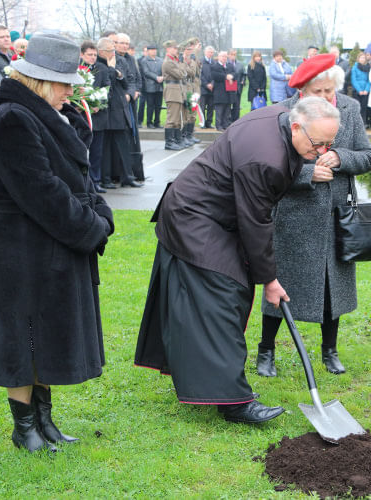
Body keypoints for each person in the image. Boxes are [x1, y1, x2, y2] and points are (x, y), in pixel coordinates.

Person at [135, 97, 340, 423]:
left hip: (216, 215)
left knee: (231, 293)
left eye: (331, 143)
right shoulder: (266, 159)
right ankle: (234, 403)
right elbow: (256, 222)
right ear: (297, 125)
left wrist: (263, 275)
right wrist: (270, 281)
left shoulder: (282, 122)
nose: (323, 151)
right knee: (225, 294)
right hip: (195, 217)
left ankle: (218, 385)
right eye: (319, 144)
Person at [0, 33, 114, 452]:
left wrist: (100, 215)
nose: (71, 91)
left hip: (46, 244)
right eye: (65, 83)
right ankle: (24, 429)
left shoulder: (46, 116)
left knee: (44, 334)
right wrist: (91, 228)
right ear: (41, 82)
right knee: (24, 334)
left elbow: (78, 180)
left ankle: (43, 421)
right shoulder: (14, 120)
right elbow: (44, 193)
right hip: (21, 248)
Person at [256, 54, 371, 377]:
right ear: (303, 89)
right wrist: (307, 174)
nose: (324, 97)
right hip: (294, 217)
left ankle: (330, 351)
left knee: (331, 287)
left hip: (335, 217)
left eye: (328, 90)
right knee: (280, 285)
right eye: (317, 91)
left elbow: (368, 156)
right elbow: (271, 168)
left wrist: (340, 157)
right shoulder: (285, 111)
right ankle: (265, 351)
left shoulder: (350, 108)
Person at [98, 37, 141, 187]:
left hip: (120, 106)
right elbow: (108, 82)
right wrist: (111, 69)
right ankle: (106, 178)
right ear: (102, 51)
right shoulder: (99, 63)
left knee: (123, 144)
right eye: (110, 50)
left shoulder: (120, 61)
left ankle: (127, 177)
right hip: (107, 108)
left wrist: (128, 91)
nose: (113, 52)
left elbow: (128, 80)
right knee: (107, 147)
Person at [80, 41, 108, 193]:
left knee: (96, 152)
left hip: (97, 117)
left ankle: (95, 181)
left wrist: (99, 101)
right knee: (81, 150)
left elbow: (107, 88)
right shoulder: (76, 69)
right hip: (81, 116)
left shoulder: (102, 69)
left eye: (95, 55)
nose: (92, 58)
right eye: (89, 55)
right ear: (81, 55)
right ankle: (82, 182)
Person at [161, 39, 186, 150]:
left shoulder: (174, 61)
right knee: (172, 118)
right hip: (172, 90)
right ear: (168, 49)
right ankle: (169, 142)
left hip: (177, 90)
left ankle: (176, 139)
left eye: (177, 48)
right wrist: (181, 66)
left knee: (177, 119)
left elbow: (183, 73)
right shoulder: (168, 62)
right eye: (174, 48)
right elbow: (181, 74)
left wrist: (180, 66)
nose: (176, 50)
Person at [180, 38, 202, 146]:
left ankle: (189, 135)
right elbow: (191, 72)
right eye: (195, 45)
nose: (197, 48)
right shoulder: (186, 57)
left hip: (195, 87)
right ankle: (184, 136)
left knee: (193, 112)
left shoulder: (193, 57)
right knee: (188, 113)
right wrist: (193, 55)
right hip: (188, 87)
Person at [138, 44, 163, 128]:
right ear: (148, 51)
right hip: (149, 86)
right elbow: (146, 72)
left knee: (158, 105)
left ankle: (157, 122)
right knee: (150, 105)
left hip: (159, 86)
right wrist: (156, 77)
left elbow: (164, 70)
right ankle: (149, 122)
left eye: (155, 49)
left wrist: (162, 77)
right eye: (152, 50)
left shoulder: (160, 60)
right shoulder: (144, 61)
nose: (154, 51)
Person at [211, 50, 235, 130]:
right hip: (219, 92)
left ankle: (226, 124)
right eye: (222, 56)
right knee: (219, 110)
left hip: (229, 92)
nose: (224, 58)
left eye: (225, 56)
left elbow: (235, 73)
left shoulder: (230, 66)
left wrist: (231, 76)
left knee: (227, 110)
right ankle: (219, 125)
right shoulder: (215, 66)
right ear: (218, 57)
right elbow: (215, 76)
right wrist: (226, 76)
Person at [350, 52, 370, 126]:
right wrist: (359, 90)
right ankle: (357, 124)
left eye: (364, 58)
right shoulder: (354, 67)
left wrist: (366, 90)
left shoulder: (368, 68)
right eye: (361, 58)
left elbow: (369, 80)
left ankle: (364, 123)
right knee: (357, 108)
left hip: (365, 91)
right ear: (358, 59)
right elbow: (353, 80)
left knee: (364, 108)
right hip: (357, 91)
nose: (362, 59)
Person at [228, 49, 246, 122]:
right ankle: (228, 120)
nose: (233, 56)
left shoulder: (240, 64)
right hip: (228, 88)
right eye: (231, 54)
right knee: (228, 105)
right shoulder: (226, 64)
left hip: (238, 88)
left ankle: (236, 120)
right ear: (229, 55)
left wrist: (243, 80)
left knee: (237, 105)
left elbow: (244, 74)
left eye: (234, 55)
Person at [199, 46, 215, 128]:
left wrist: (212, 83)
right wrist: (206, 84)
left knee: (211, 107)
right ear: (205, 52)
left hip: (212, 89)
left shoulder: (214, 62)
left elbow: (215, 74)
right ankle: (202, 123)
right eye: (209, 52)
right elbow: (200, 75)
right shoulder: (200, 61)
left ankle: (209, 122)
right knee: (202, 106)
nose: (210, 54)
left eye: (212, 52)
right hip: (203, 88)